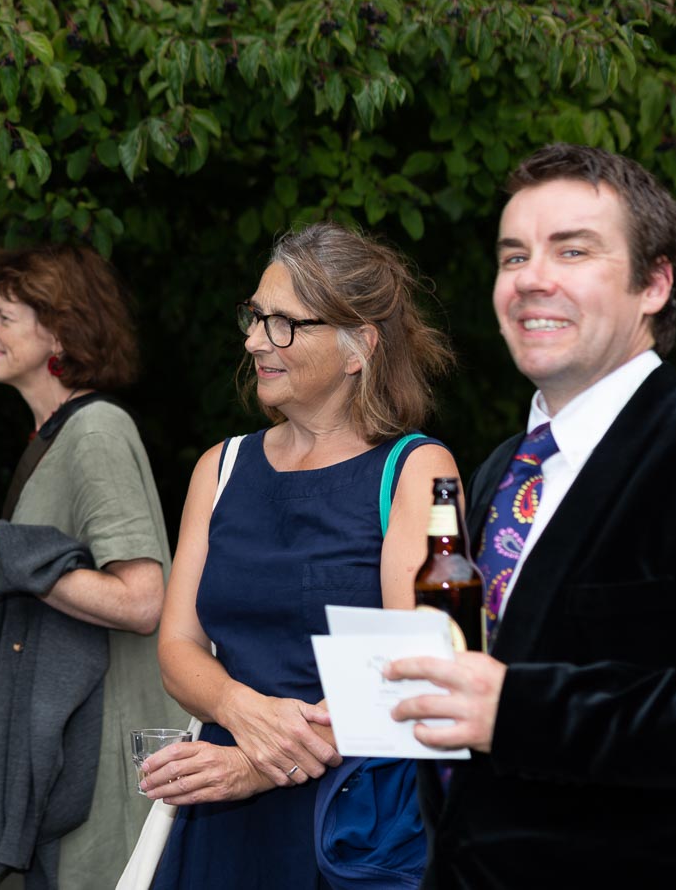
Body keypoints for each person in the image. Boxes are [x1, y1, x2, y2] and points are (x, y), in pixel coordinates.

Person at [387, 144, 676, 887]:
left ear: (654, 282)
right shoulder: (499, 472)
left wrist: (520, 710)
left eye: (572, 251)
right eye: (513, 257)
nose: (532, 279)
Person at [140, 222, 459, 888]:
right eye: (256, 318)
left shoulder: (417, 469)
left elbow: (423, 671)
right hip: (218, 808)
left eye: (284, 323)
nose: (256, 340)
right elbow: (177, 645)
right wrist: (237, 709)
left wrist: (259, 766)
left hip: (351, 818)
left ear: (356, 348)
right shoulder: (219, 467)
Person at [0, 244, 180, 890]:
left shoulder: (96, 433)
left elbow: (143, 599)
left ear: (59, 330)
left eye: (3, 316)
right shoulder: (55, 437)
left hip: (109, 770)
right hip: (73, 758)